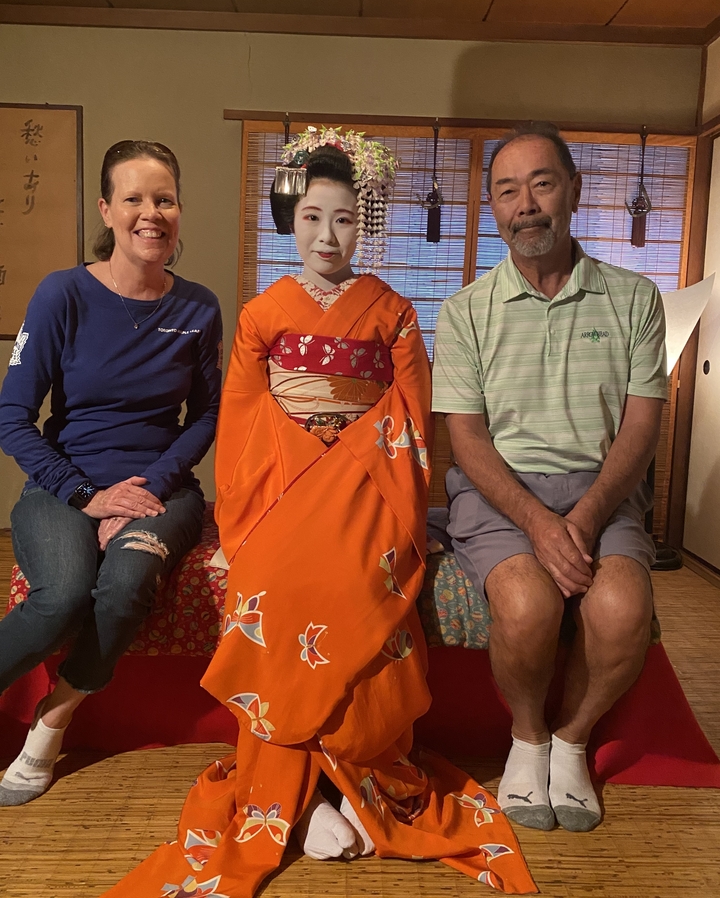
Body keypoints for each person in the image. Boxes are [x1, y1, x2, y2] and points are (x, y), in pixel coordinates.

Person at [102, 129, 536, 897]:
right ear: (290, 221)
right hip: (284, 485)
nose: (326, 236)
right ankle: (299, 795)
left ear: (359, 226)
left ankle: (351, 786)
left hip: (370, 486)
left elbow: (410, 411)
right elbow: (241, 418)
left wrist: (367, 473)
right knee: (272, 587)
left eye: (342, 219)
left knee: (364, 592)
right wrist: (249, 513)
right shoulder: (266, 312)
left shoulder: (394, 312)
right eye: (311, 217)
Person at [432, 121, 667, 833]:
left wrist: (588, 516)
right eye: (508, 191)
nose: (525, 204)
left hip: (602, 487)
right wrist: (537, 522)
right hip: (499, 490)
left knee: (622, 608)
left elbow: (641, 427)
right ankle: (527, 737)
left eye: (541, 183)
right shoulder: (465, 309)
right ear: (493, 209)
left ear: (573, 190)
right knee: (529, 607)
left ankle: (571, 740)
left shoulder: (633, 298)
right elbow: (465, 439)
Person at [0, 139, 222, 806]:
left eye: (164, 199)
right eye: (134, 199)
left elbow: (208, 417)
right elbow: (12, 418)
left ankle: (53, 719)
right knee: (63, 596)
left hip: (163, 490)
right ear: (107, 208)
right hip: (64, 485)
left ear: (179, 210)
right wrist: (88, 497)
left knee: (124, 585)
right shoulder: (62, 293)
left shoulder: (199, 308)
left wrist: (147, 489)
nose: (151, 213)